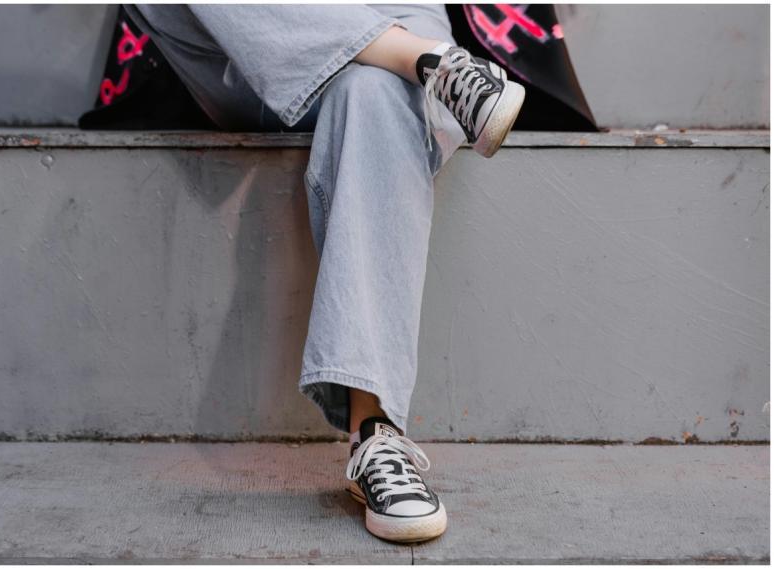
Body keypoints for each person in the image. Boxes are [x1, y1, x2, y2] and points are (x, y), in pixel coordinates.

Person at [124, 4, 524, 543]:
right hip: (257, 50)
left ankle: (376, 434)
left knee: (373, 92)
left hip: (392, 25)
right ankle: (429, 62)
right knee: (386, 76)